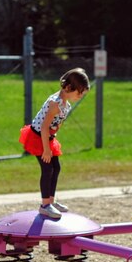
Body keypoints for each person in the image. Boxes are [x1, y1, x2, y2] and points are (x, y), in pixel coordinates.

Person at [19, 68, 90, 218]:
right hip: (38, 137)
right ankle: (45, 205)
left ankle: (51, 201)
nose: (80, 96)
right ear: (68, 88)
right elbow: (44, 127)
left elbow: (56, 124)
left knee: (56, 167)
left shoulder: (66, 105)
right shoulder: (55, 103)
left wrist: (55, 131)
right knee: (47, 169)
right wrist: (46, 150)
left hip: (48, 137)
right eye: (79, 93)